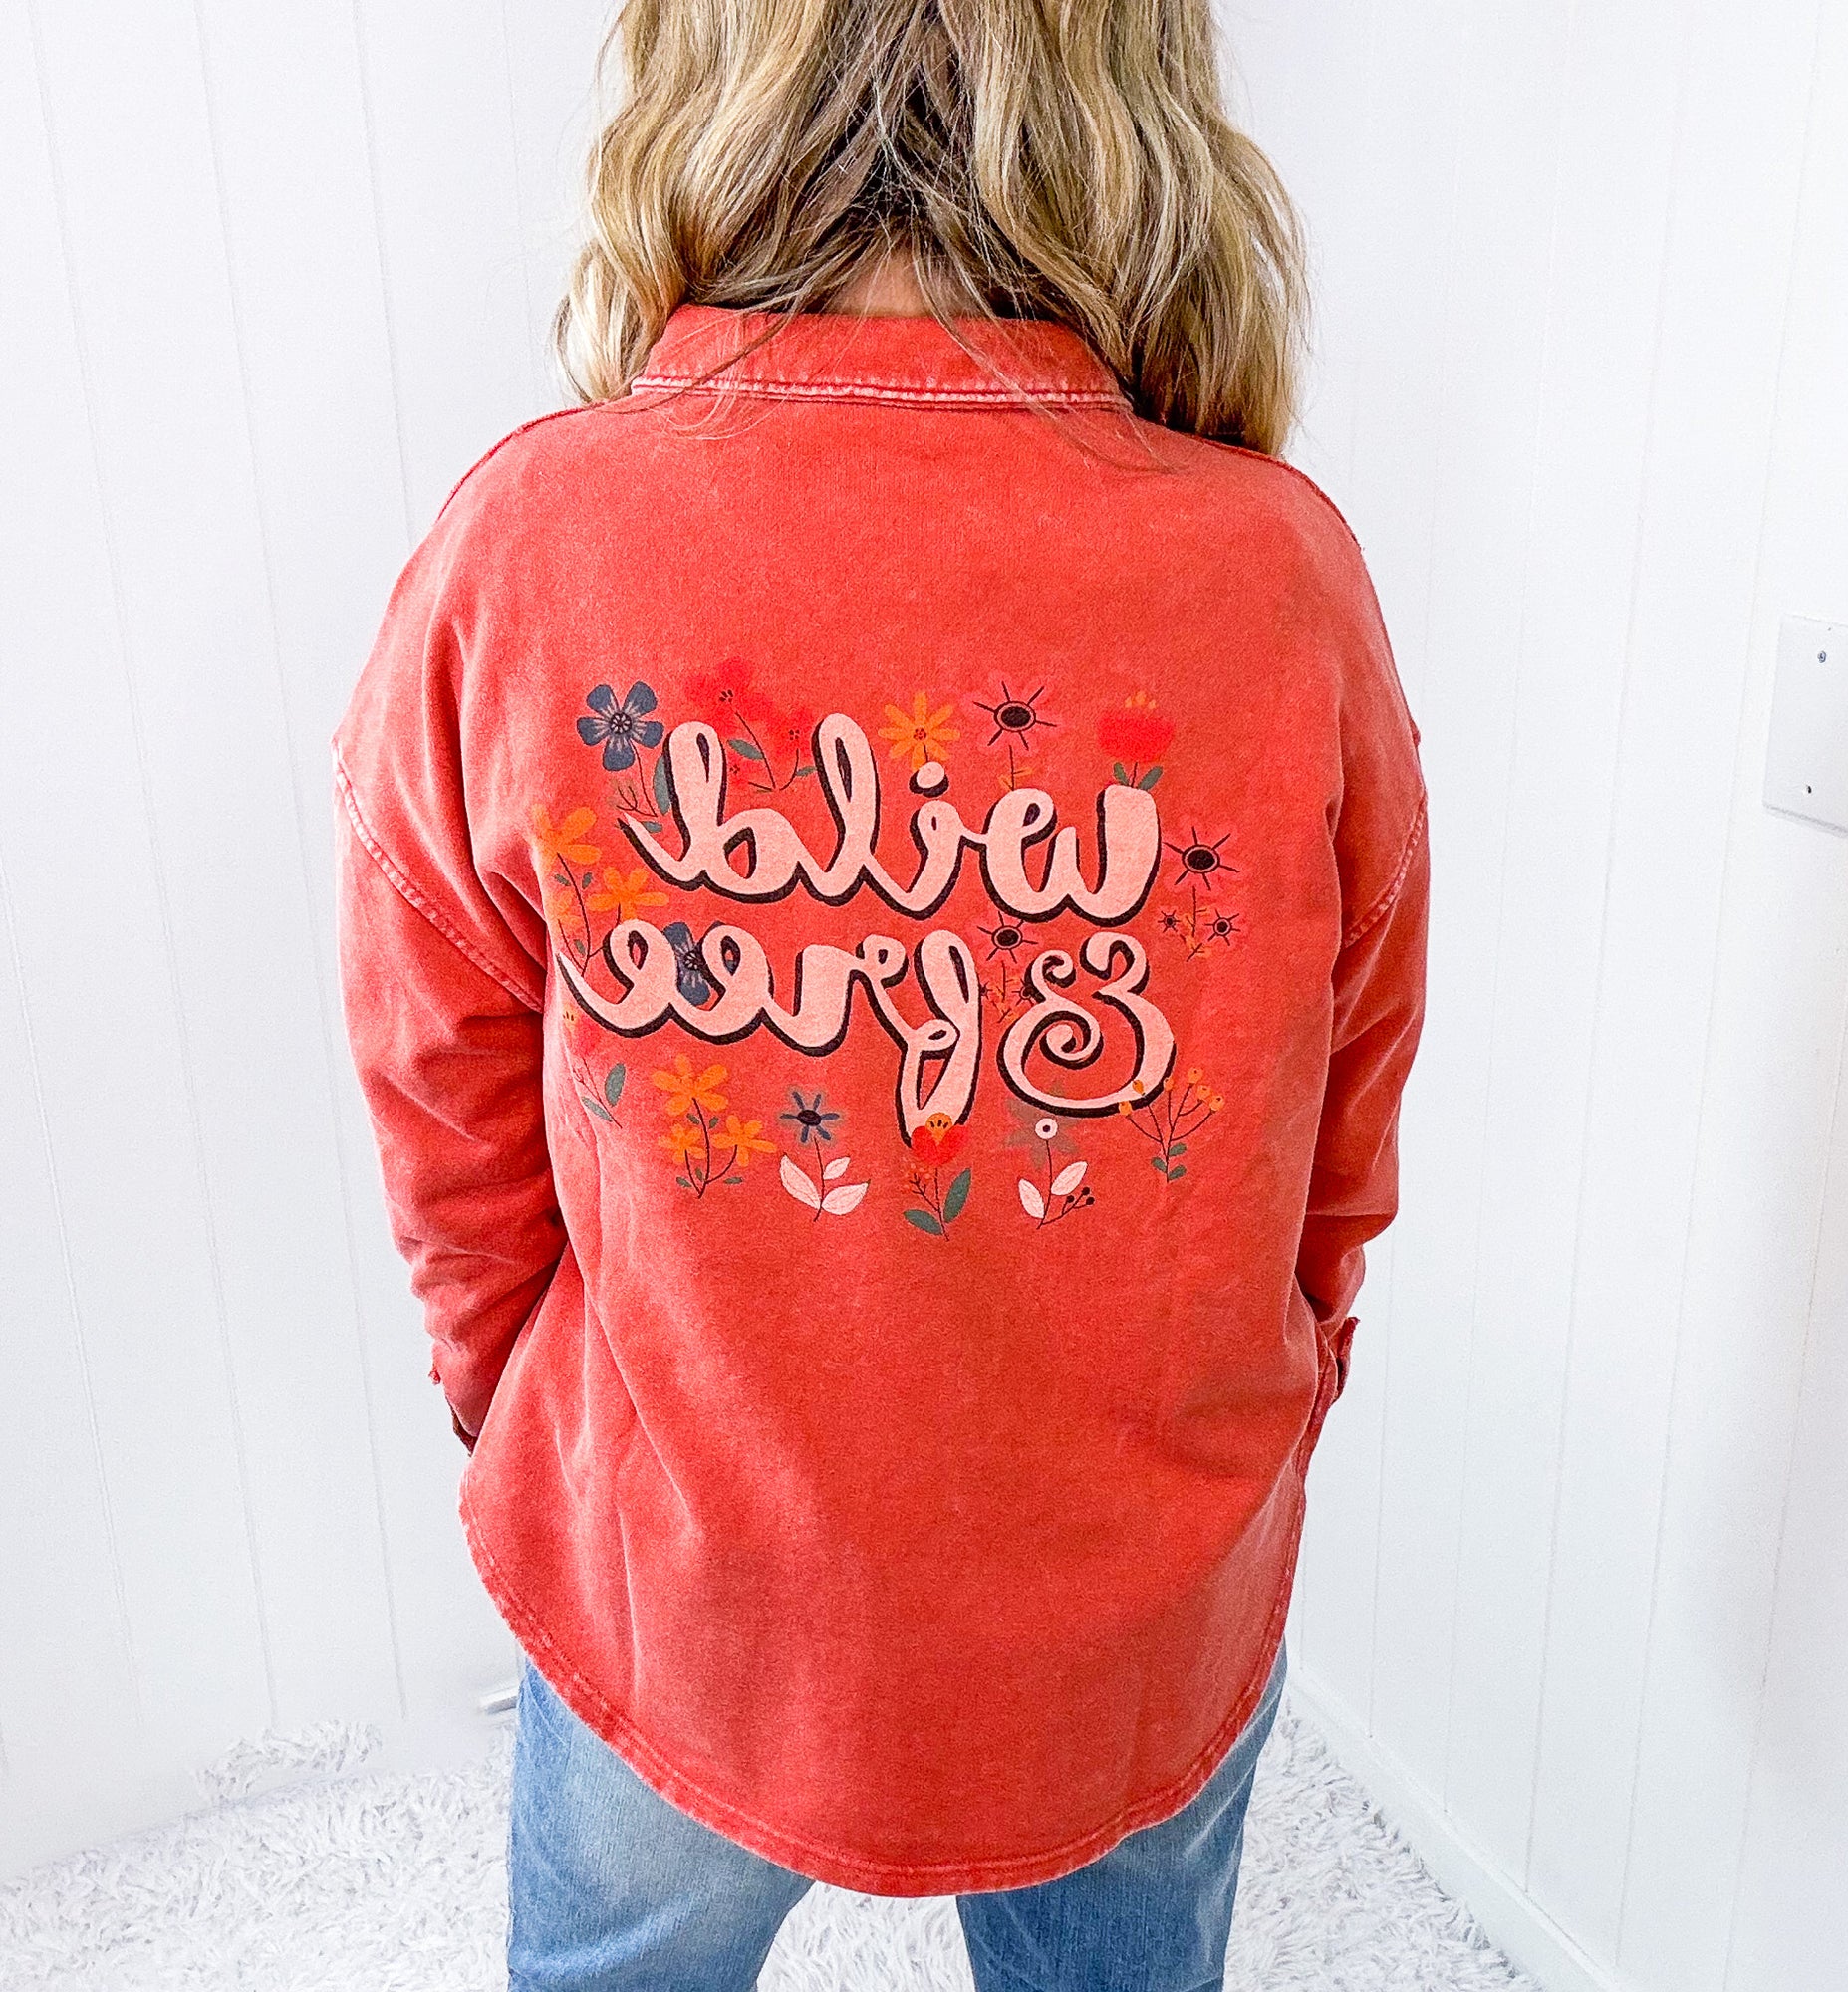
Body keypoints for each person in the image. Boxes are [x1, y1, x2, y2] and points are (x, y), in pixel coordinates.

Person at [331, 1, 1431, 1985]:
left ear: (708, 70)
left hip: (682, 1575)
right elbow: (1339, 1116)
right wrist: (1275, 1398)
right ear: (1137, 101)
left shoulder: (533, 548)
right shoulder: (1280, 581)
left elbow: (439, 1087)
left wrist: (521, 1406)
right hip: (1130, 1603)